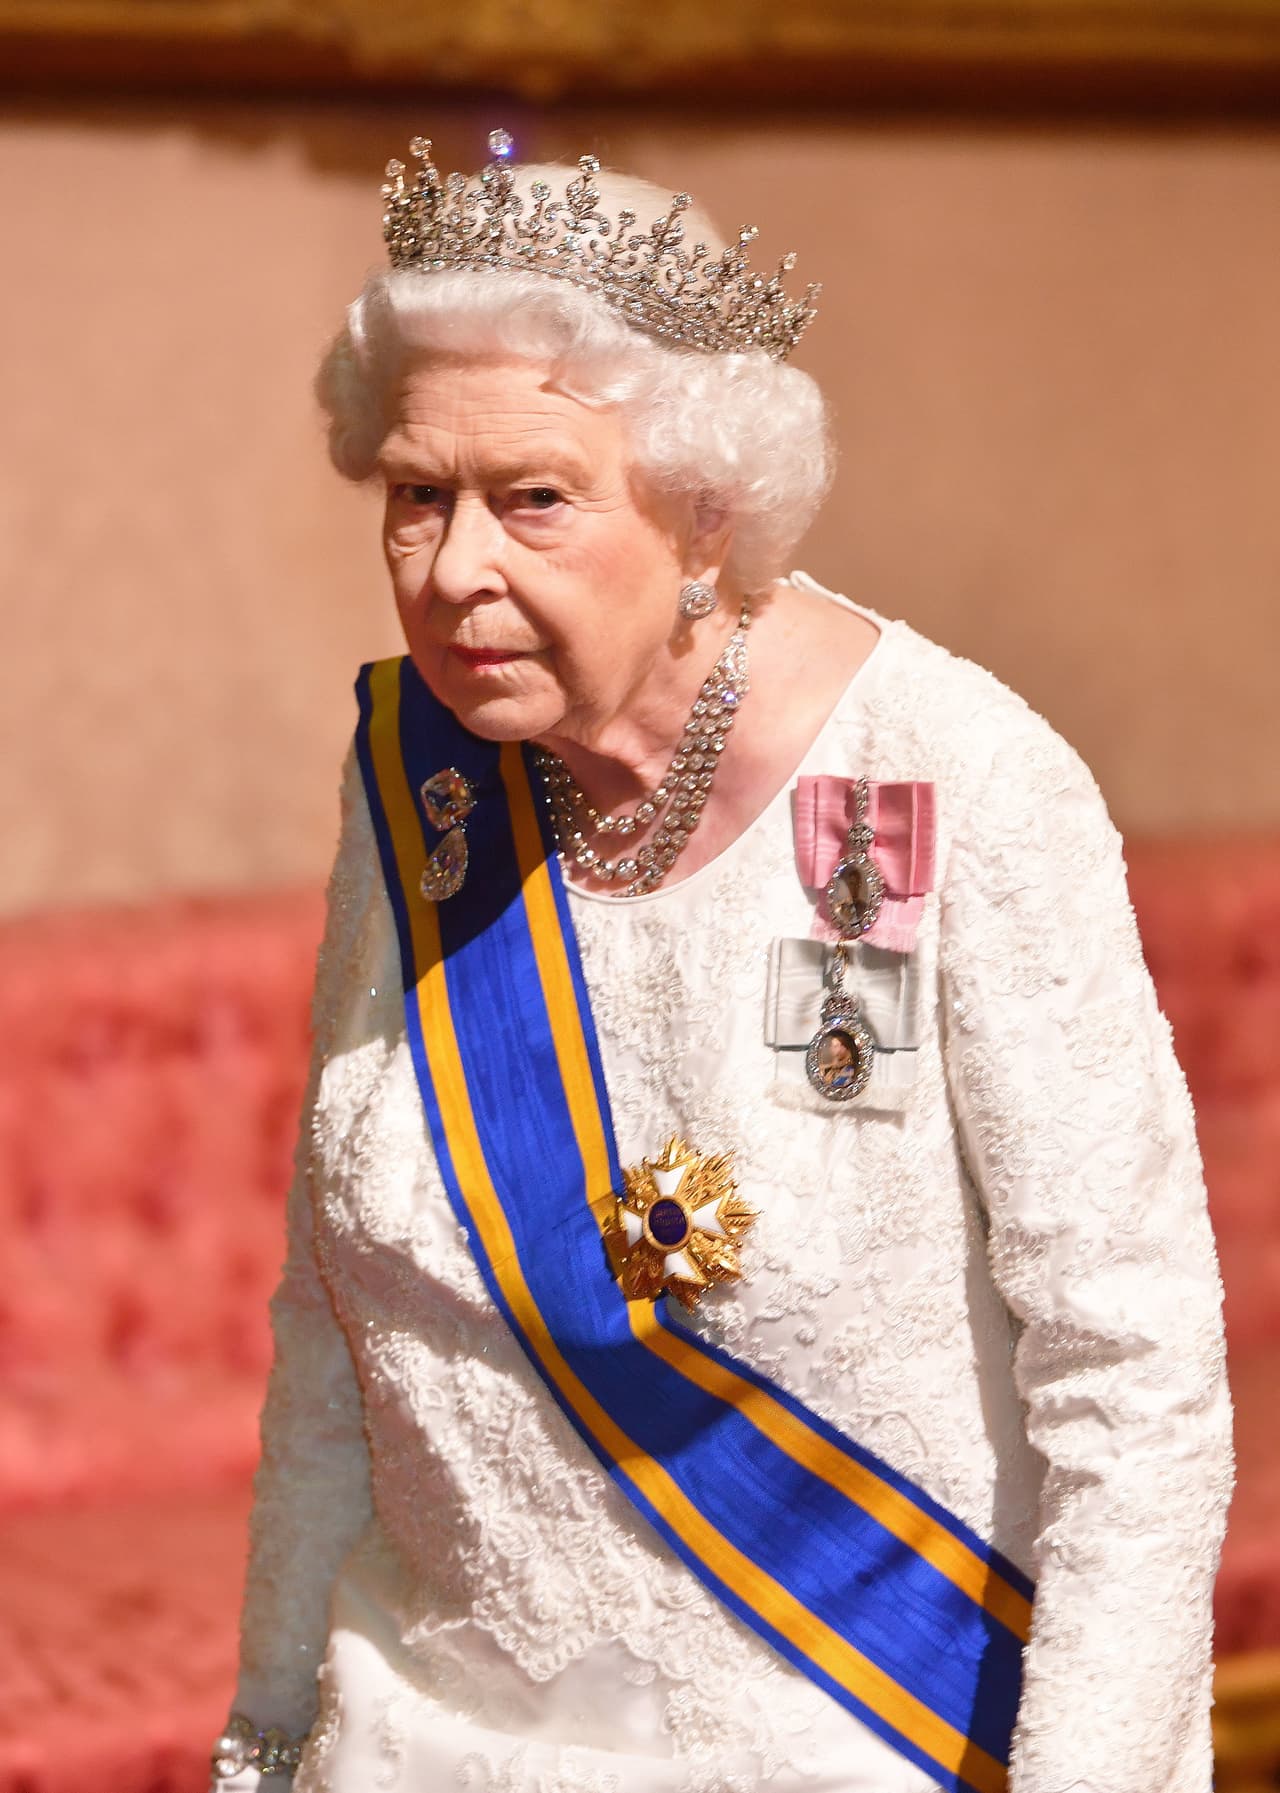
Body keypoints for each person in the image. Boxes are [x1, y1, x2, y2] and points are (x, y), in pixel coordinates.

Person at [209, 129, 1233, 1793]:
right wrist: (262, 1733)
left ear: (705, 513)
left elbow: (1133, 1381)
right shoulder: (420, 774)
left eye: (534, 496)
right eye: (417, 494)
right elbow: (335, 1317)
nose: (456, 567)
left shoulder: (961, 781)